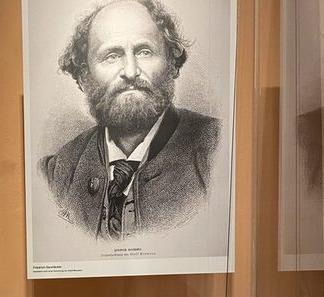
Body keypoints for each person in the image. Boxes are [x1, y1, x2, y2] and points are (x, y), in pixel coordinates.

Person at [39, 0, 221, 239]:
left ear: (172, 64)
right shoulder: (59, 172)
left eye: (144, 51)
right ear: (84, 77)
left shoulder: (219, 152)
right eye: (111, 56)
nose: (131, 71)